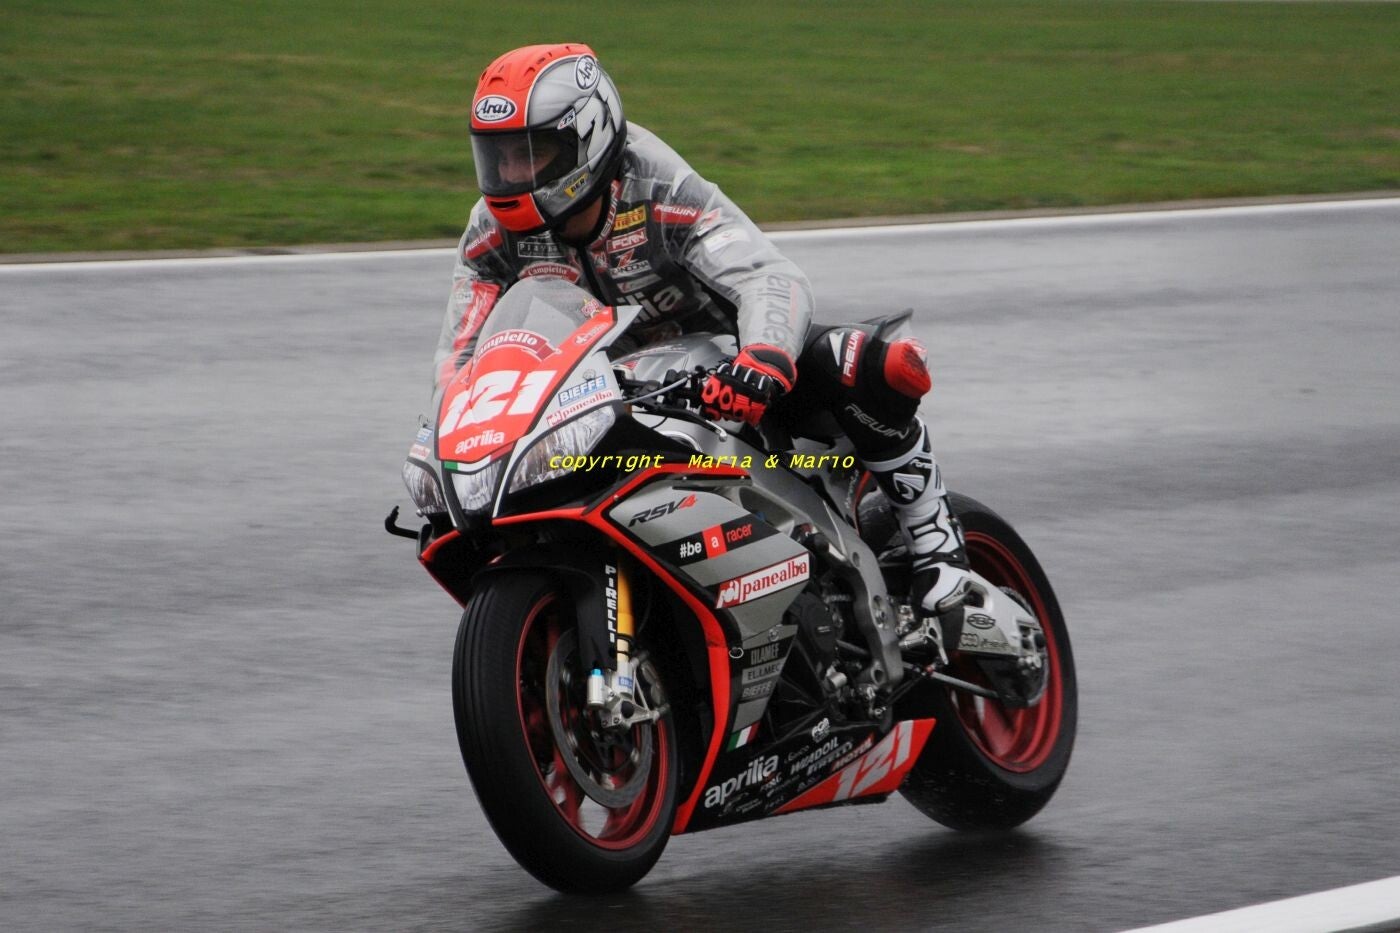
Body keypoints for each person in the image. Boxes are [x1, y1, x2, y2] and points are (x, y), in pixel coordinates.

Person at [433, 43, 969, 617]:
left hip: (730, 381)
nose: (510, 176)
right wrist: (454, 430)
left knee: (855, 359)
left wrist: (762, 359)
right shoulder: (492, 233)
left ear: (585, 139)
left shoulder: (655, 187)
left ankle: (934, 533)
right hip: (609, 397)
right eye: (499, 158)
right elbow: (461, 355)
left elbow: (766, 274)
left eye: (531, 155)